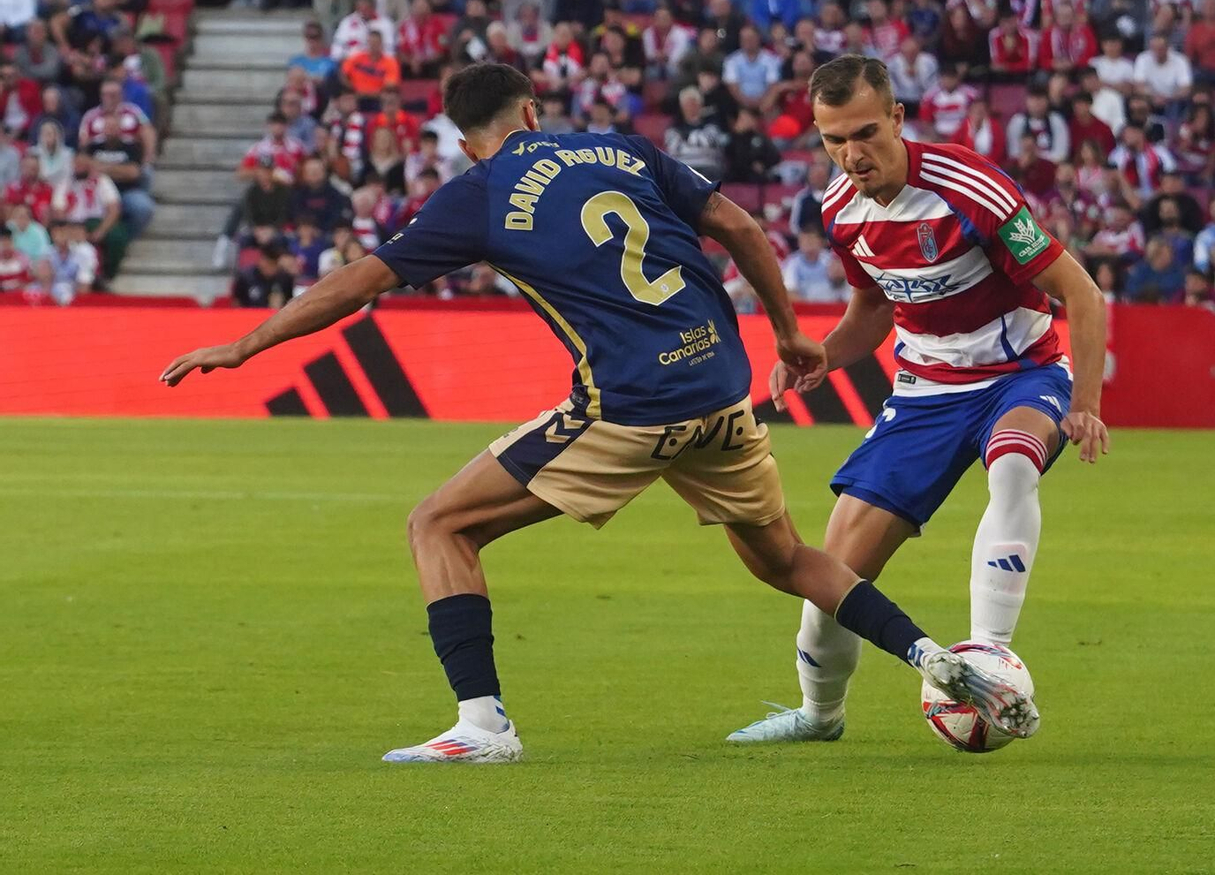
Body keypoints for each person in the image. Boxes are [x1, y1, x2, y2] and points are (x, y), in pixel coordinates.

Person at [160, 62, 1038, 762]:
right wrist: (786, 333)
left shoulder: (482, 189)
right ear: (534, 111)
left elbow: (362, 280)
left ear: (472, 142)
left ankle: (482, 724)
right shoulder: (619, 148)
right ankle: (938, 659)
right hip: (719, 391)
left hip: (631, 409)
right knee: (785, 558)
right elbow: (740, 226)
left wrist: (247, 344)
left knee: (438, 524)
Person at [726, 54, 1108, 745]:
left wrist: (1083, 402)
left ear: (898, 118)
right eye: (833, 139)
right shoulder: (840, 209)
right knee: (831, 581)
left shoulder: (973, 188)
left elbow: (1081, 292)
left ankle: (988, 655)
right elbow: (872, 308)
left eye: (866, 132)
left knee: (1014, 462)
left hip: (1019, 373)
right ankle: (819, 714)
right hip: (925, 392)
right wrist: (823, 354)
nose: (851, 153)